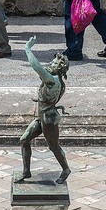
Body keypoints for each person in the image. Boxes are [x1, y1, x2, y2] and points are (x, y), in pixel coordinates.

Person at [16, 36, 71, 184]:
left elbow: (37, 67)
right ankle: (26, 172)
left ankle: (66, 169)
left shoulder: (53, 80)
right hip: (41, 116)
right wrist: (40, 99)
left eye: (53, 63)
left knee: (53, 146)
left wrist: (28, 49)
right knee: (24, 140)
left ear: (59, 68)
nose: (50, 63)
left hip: (48, 119)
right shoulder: (53, 79)